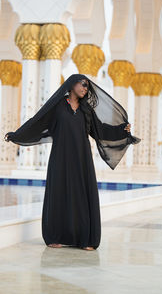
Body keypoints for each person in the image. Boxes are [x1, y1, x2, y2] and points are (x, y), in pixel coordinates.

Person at [4, 74, 141, 251]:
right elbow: (37, 122)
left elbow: (100, 131)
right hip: (60, 157)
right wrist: (17, 135)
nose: (85, 88)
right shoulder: (58, 106)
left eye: (87, 86)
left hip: (81, 158)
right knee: (59, 194)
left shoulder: (86, 109)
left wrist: (121, 131)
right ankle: (56, 236)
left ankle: (86, 239)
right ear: (72, 84)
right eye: (82, 84)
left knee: (81, 195)